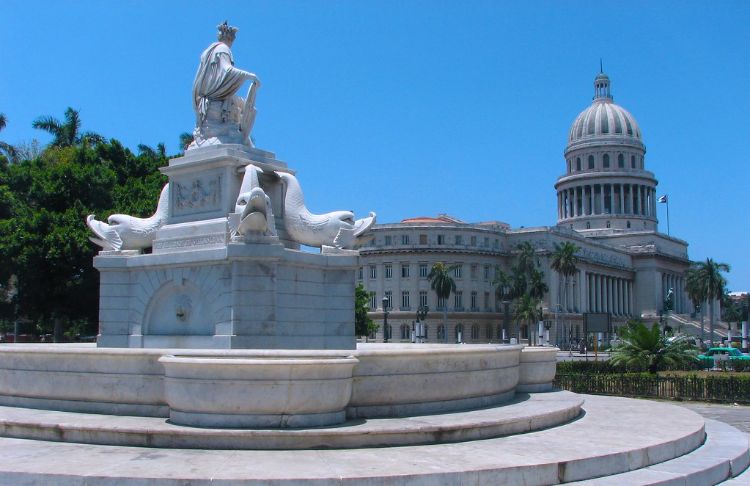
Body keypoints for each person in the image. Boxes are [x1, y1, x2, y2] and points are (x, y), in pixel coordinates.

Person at [191, 22, 260, 147]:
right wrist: (249, 76)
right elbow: (227, 70)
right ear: (230, 39)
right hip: (218, 111)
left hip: (208, 107)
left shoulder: (208, 52)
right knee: (245, 143)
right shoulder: (223, 49)